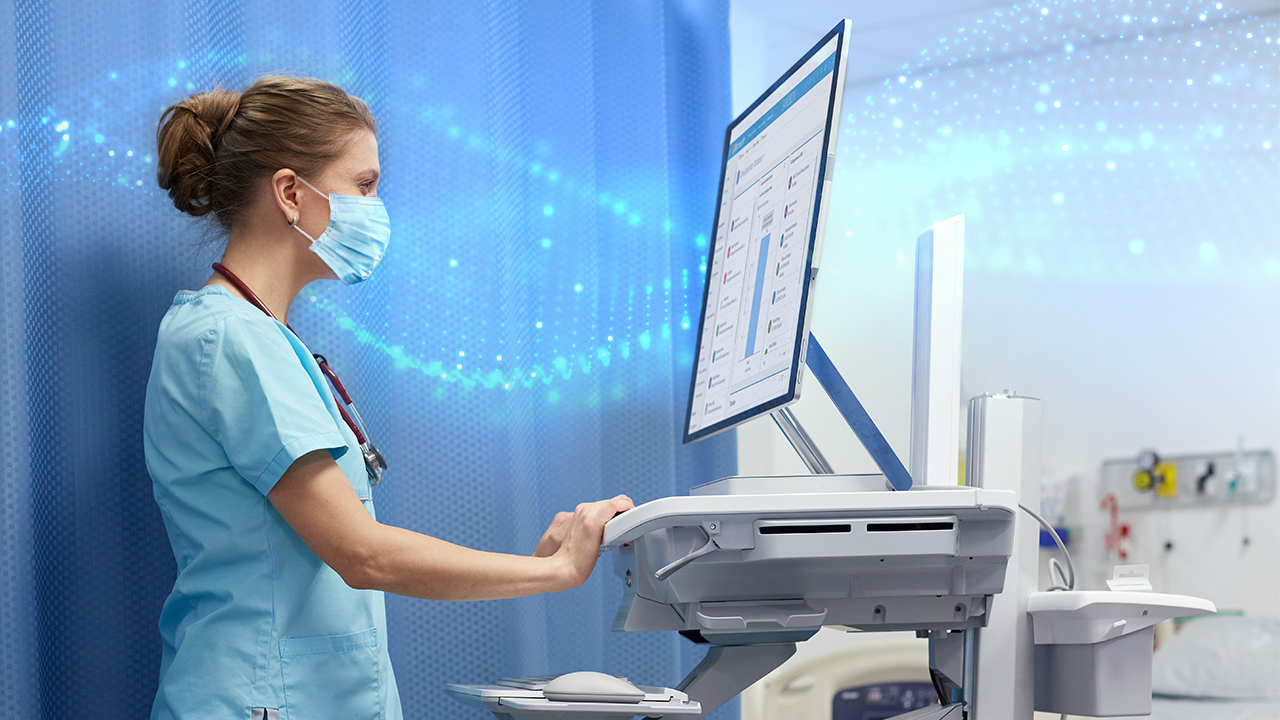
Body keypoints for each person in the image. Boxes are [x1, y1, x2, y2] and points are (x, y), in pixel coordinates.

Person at [144, 75, 633, 720]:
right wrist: (555, 572)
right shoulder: (229, 339)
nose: (376, 208)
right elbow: (362, 553)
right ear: (291, 193)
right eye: (365, 185)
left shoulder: (263, 339)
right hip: (259, 702)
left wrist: (533, 564)